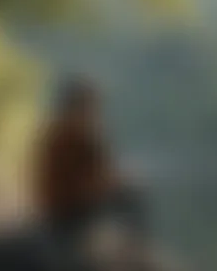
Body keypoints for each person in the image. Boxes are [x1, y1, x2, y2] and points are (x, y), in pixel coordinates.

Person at [33, 74, 146, 245]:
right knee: (132, 195)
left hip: (59, 204)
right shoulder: (78, 135)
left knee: (127, 190)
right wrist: (117, 181)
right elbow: (91, 181)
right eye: (92, 104)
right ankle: (134, 248)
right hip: (69, 207)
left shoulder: (57, 130)